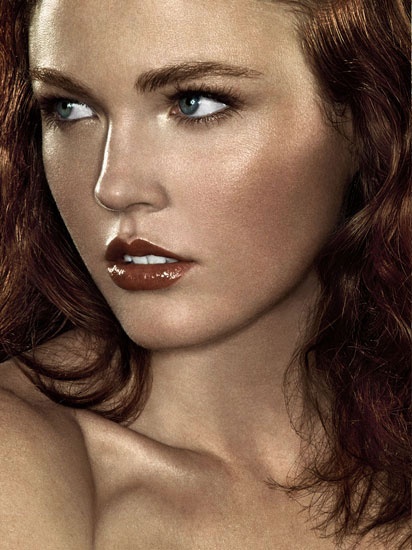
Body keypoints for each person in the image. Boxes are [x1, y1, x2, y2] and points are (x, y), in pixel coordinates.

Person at [0, 0, 410, 547]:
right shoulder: (21, 459)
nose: (113, 186)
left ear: (369, 119)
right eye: (70, 108)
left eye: (194, 103)